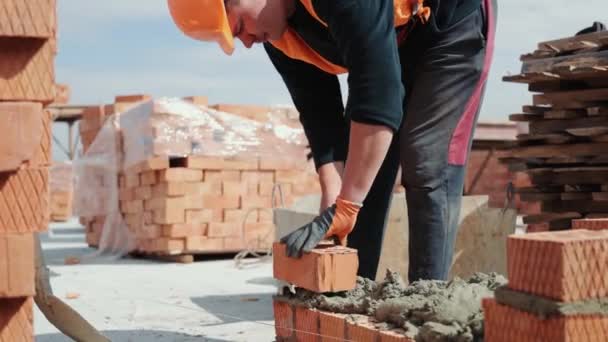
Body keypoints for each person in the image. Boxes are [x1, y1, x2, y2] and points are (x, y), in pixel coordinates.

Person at [168, 0, 497, 282]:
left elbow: (378, 92)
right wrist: (334, 196)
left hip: (451, 23)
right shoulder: (278, 32)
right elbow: (319, 113)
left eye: (238, 26)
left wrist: (348, 202)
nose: (246, 42)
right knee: (362, 173)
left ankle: (429, 307)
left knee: (426, 162)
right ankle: (349, 300)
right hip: (395, 38)